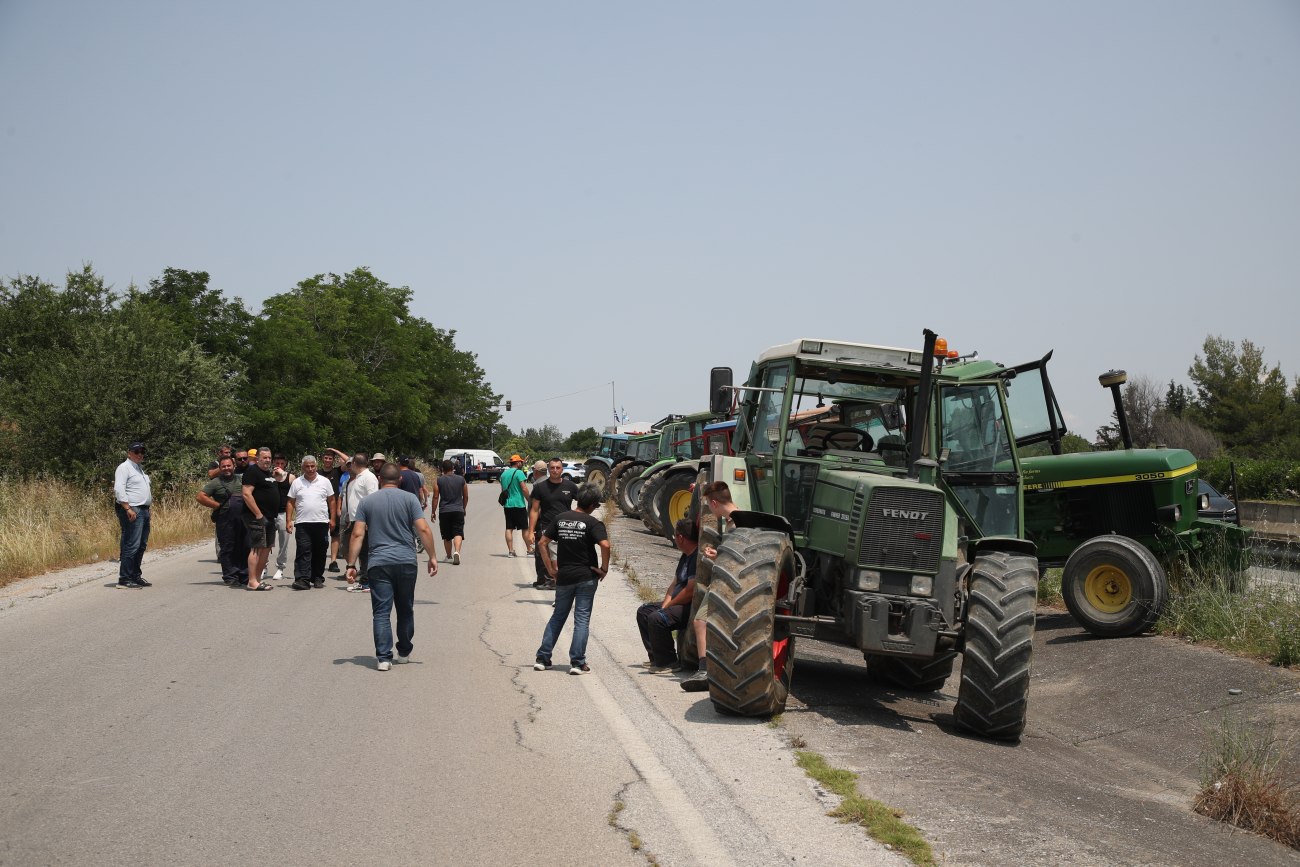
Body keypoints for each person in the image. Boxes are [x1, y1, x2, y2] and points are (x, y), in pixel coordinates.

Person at [347, 464, 439, 671]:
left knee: (381, 611)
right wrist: (432, 556)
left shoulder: (367, 502)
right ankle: (404, 651)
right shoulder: (410, 499)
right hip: (406, 561)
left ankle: (383, 658)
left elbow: (357, 534)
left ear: (379, 479)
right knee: (405, 608)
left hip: (378, 563)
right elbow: (423, 528)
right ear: (400, 480)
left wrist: (351, 564)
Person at [533, 484, 610, 675]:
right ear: (592, 504)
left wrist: (551, 569)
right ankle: (577, 663)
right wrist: (604, 569)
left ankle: (543, 658)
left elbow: (542, 543)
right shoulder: (593, 523)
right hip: (586, 576)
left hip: (564, 576)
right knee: (581, 619)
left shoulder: (560, 519)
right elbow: (605, 545)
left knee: (558, 616)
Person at [682, 480, 739, 691]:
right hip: (730, 579)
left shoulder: (736, 524)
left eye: (708, 504)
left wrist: (719, 557)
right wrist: (719, 555)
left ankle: (705, 669)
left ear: (714, 503)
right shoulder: (737, 521)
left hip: (726, 582)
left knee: (700, 621)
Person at [636, 518, 698, 670]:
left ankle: (669, 662)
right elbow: (674, 584)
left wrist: (669, 606)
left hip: (689, 606)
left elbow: (690, 591)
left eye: (675, 536)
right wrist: (665, 604)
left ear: (681, 537)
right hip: (676, 602)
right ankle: (657, 657)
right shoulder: (685, 556)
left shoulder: (696, 557)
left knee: (658, 618)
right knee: (644, 611)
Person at [528, 458, 580, 589]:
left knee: (564, 559)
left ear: (562, 469)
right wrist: (530, 531)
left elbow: (582, 505)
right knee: (553, 559)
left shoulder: (570, 486)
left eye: (558, 467)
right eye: (552, 468)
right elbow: (534, 510)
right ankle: (556, 586)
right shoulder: (540, 487)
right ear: (548, 469)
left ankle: (561, 584)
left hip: (567, 529)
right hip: (548, 528)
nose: (555, 470)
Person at [197, 456, 249, 585]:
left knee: (244, 546)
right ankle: (230, 576)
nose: (226, 468)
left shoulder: (242, 479)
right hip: (225, 520)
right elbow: (200, 497)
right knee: (227, 547)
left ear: (234, 466)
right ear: (220, 468)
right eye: (223, 466)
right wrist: (216, 505)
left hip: (243, 519)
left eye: (229, 466)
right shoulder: (215, 482)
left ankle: (243, 575)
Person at [286, 455, 336, 589]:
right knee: (304, 551)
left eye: (312, 466)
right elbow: (290, 502)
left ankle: (317, 577)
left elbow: (331, 500)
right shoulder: (297, 482)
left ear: (316, 466)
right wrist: (289, 520)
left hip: (321, 522)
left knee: (320, 551)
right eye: (307, 466)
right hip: (303, 523)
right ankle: (303, 579)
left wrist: (332, 519)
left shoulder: (325, 481)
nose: (310, 469)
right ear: (303, 467)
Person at [113, 441, 153, 589]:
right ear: (129, 453)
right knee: (132, 544)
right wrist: (127, 508)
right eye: (137, 452)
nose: (140, 454)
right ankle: (124, 578)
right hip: (132, 509)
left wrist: (147, 507)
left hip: (143, 509)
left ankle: (135, 575)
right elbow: (119, 489)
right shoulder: (124, 468)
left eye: (142, 452)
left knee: (141, 545)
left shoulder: (139, 469)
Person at [240, 447, 279, 592]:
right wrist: (258, 514)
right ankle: (251, 581)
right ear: (257, 459)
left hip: (269, 517)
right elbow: (246, 494)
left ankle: (257, 580)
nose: (267, 460)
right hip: (256, 517)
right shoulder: (252, 472)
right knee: (256, 548)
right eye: (264, 457)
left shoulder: (269, 473)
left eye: (269, 457)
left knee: (266, 548)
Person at [343, 453, 379, 592]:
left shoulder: (369, 478)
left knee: (365, 552)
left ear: (354, 464)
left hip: (365, 521)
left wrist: (370, 519)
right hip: (356, 520)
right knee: (361, 552)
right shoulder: (358, 478)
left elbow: (373, 498)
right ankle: (365, 580)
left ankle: (367, 582)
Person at [430, 460, 469, 564]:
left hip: (444, 511)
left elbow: (435, 497)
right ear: (453, 468)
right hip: (458, 510)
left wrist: (433, 511)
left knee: (447, 535)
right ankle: (457, 552)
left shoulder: (439, 480)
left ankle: (449, 556)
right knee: (458, 532)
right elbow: (465, 496)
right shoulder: (461, 479)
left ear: (442, 469)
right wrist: (463, 508)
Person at [269, 454, 296, 579]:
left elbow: (296, 496)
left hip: (283, 513)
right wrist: (274, 477)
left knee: (283, 542)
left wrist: (290, 518)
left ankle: (280, 567)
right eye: (277, 463)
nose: (279, 466)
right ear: (273, 463)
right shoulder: (269, 476)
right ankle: (263, 566)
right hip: (269, 513)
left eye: (282, 463)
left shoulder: (290, 477)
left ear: (285, 464)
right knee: (266, 542)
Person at [499, 454, 531, 557]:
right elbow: (524, 488)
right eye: (521, 462)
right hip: (519, 504)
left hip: (507, 505)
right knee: (525, 528)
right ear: (517, 463)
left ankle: (511, 551)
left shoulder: (503, 474)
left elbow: (503, 491)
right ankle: (530, 550)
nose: (522, 463)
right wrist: (529, 500)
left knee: (509, 528)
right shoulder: (519, 473)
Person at [319, 450, 345, 570]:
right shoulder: (317, 473)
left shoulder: (337, 471)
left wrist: (335, 450)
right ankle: (319, 559)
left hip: (334, 507)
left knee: (335, 535)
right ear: (322, 459)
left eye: (330, 458)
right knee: (321, 535)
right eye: (326, 458)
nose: (328, 460)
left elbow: (348, 460)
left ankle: (333, 561)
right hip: (320, 507)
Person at [526, 460, 548, 554]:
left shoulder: (538, 486)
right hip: (548, 522)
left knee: (542, 554)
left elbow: (536, 508)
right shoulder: (549, 483)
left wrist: (532, 529)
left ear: (536, 471)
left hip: (541, 524)